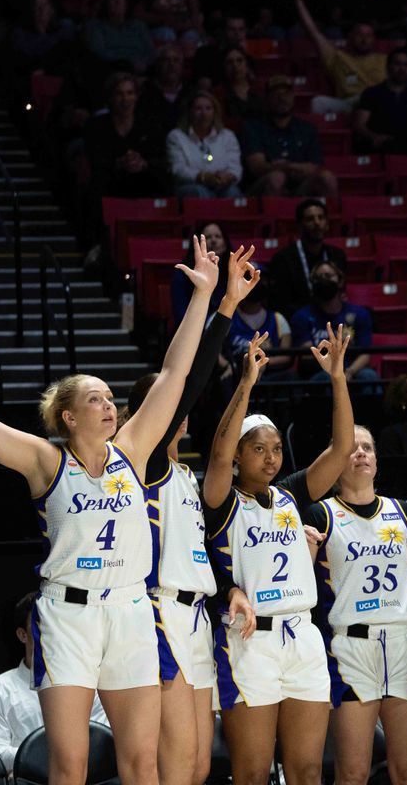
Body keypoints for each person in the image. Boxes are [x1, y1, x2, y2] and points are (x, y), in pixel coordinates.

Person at [0, 236, 221, 785]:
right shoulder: (43, 460)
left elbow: (174, 375)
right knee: (70, 765)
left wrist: (201, 297)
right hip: (68, 614)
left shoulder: (132, 450)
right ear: (69, 417)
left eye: (110, 397)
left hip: (130, 610)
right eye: (95, 399)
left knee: (141, 762)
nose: (109, 405)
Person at [127, 244, 260, 785]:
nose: (178, 417)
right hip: (159, 614)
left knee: (200, 767)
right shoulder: (145, 462)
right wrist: (224, 304)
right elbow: (191, 381)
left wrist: (228, 586)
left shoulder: (184, 475)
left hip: (199, 615)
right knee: (174, 768)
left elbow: (199, 548)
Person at [202, 324, 355, 785]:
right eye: (257, 450)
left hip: (303, 635)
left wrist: (338, 378)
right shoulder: (222, 499)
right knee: (251, 772)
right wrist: (246, 385)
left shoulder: (289, 495)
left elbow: (342, 448)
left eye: (274, 449)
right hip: (251, 640)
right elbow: (218, 451)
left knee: (307, 770)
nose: (270, 458)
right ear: (237, 456)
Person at [306, 424, 407, 785]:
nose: (361, 453)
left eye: (368, 448)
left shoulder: (401, 512)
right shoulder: (319, 515)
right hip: (351, 647)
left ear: (377, 460)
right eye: (351, 448)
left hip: (405, 643)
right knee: (354, 772)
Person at [0, 593, 110, 774]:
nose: (51, 633)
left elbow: (101, 743)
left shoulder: (90, 686)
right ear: (22, 634)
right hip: (24, 779)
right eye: (41, 626)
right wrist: (51, 757)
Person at [292, 0, 386, 114]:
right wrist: (298, 0)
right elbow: (312, 31)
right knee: (318, 102)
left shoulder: (384, 60)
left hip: (376, 105)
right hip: (349, 103)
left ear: (374, 39)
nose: (364, 39)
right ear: (350, 37)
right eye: (359, 34)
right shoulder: (336, 57)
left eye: (368, 35)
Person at [242, 75, 337, 198]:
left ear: (293, 96)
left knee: (327, 178)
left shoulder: (307, 129)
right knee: (277, 178)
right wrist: (290, 168)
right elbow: (257, 167)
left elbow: (315, 166)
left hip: (301, 186)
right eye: (276, 94)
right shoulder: (254, 127)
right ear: (267, 98)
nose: (281, 98)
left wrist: (285, 166)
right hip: (263, 187)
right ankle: (272, 217)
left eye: (286, 93)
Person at [289, 260, 377, 383]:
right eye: (318, 278)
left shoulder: (359, 314)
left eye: (328, 276)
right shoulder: (302, 316)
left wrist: (349, 372)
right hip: (320, 371)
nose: (324, 280)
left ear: (340, 281)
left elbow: (365, 354)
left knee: (368, 376)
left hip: (351, 369)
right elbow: (307, 354)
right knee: (325, 379)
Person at [84, 72, 167, 198]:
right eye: (119, 93)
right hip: (108, 183)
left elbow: (160, 159)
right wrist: (119, 163)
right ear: (111, 97)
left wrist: (143, 163)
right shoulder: (96, 126)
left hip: (143, 181)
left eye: (130, 93)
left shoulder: (150, 126)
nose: (125, 99)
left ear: (136, 96)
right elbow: (95, 161)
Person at [267, 199, 348, 320]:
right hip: (298, 320)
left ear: (327, 224)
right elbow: (280, 304)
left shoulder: (337, 255)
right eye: (310, 219)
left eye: (321, 218)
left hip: (332, 317)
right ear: (300, 225)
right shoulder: (283, 259)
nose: (317, 223)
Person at [352, 48, 407, 154]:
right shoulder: (372, 93)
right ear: (388, 67)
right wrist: (374, 137)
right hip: (380, 143)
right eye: (397, 64)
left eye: (406, 65)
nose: (402, 69)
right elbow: (359, 125)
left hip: (406, 142)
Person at [166, 90, 243, 198]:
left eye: (208, 108)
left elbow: (235, 167)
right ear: (190, 112)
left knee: (232, 192)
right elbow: (178, 169)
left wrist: (228, 177)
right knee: (201, 193)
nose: (204, 113)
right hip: (191, 185)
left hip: (221, 184)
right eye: (198, 108)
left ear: (214, 112)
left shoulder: (227, 136)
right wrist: (203, 177)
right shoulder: (176, 136)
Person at [82, 0, 153, 75]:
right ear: (106, 4)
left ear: (127, 3)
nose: (118, 2)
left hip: (141, 67)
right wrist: (128, 61)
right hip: (110, 67)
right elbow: (99, 52)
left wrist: (143, 62)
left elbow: (150, 51)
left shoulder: (139, 25)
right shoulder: (95, 26)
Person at [138, 44, 191, 133]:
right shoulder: (145, 91)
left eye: (176, 60)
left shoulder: (191, 92)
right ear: (158, 64)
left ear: (182, 66)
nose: (171, 64)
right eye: (166, 60)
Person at [218, 44, 266, 127]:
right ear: (224, 67)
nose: (235, 66)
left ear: (247, 65)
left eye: (239, 60)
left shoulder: (260, 89)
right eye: (229, 62)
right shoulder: (218, 93)